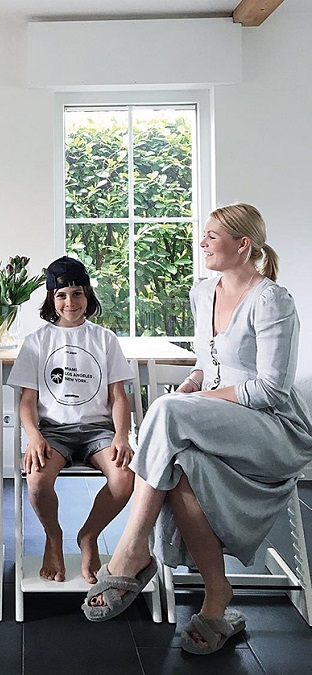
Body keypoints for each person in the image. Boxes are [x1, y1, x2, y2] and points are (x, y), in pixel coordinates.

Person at [83, 203, 312, 655]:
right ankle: (216, 595)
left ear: (242, 245)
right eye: (203, 234)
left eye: (212, 236)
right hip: (224, 421)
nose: (201, 242)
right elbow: (209, 365)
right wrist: (191, 385)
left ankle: (131, 551)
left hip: (274, 428)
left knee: (167, 410)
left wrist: (193, 401)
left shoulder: (272, 300)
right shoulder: (203, 292)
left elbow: (271, 389)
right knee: (182, 463)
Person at [7, 256, 135, 584]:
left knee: (124, 479)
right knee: (37, 480)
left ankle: (89, 535)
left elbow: (119, 396)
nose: (70, 302)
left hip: (98, 430)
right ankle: (53, 537)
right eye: (61, 295)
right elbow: (27, 401)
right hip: (53, 430)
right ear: (52, 299)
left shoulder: (105, 339)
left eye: (77, 293)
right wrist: (34, 437)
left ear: (88, 295)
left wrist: (121, 435)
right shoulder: (37, 341)